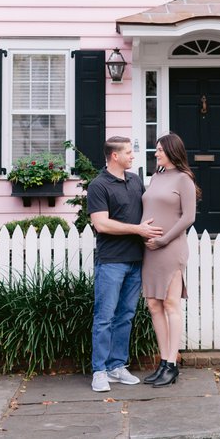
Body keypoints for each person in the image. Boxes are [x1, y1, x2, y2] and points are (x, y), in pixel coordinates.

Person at [87, 135, 163, 393]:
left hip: (135, 260)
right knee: (104, 317)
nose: (133, 156)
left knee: (125, 316)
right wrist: (138, 230)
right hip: (111, 262)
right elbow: (101, 223)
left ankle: (117, 366)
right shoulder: (99, 185)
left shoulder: (135, 181)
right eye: (129, 152)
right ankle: (99, 371)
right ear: (115, 156)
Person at [140, 132, 198, 387]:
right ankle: (163, 361)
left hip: (171, 248)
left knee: (171, 304)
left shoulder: (183, 179)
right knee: (154, 305)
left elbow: (188, 217)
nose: (156, 153)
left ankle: (172, 365)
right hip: (150, 250)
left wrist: (163, 240)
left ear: (172, 151)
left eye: (160, 149)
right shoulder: (157, 177)